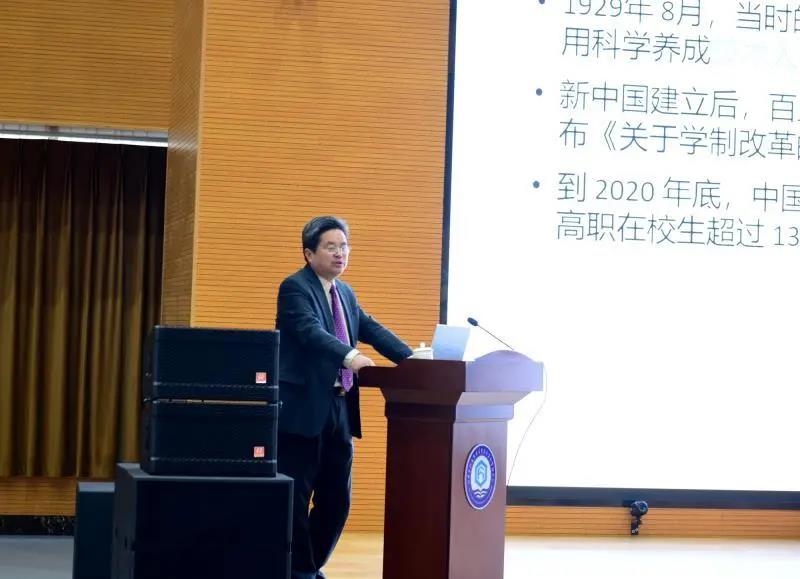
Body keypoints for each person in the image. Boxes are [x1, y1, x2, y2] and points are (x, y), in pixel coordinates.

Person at [276, 215, 412, 579]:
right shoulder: (294, 288)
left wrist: (414, 360)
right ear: (309, 253)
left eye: (344, 246)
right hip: (303, 411)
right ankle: (300, 571)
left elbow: (372, 329)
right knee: (296, 499)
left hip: (339, 408)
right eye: (331, 247)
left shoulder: (345, 293)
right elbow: (310, 332)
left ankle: (309, 566)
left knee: (337, 501)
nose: (340, 253)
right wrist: (350, 356)